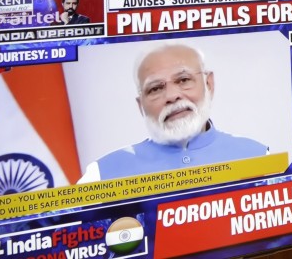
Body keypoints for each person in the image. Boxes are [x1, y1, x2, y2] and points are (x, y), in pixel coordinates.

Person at [78, 43, 267, 182]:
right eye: (155, 89)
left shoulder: (260, 157)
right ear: (141, 106)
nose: (172, 96)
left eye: (184, 80)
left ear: (209, 84)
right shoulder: (101, 174)